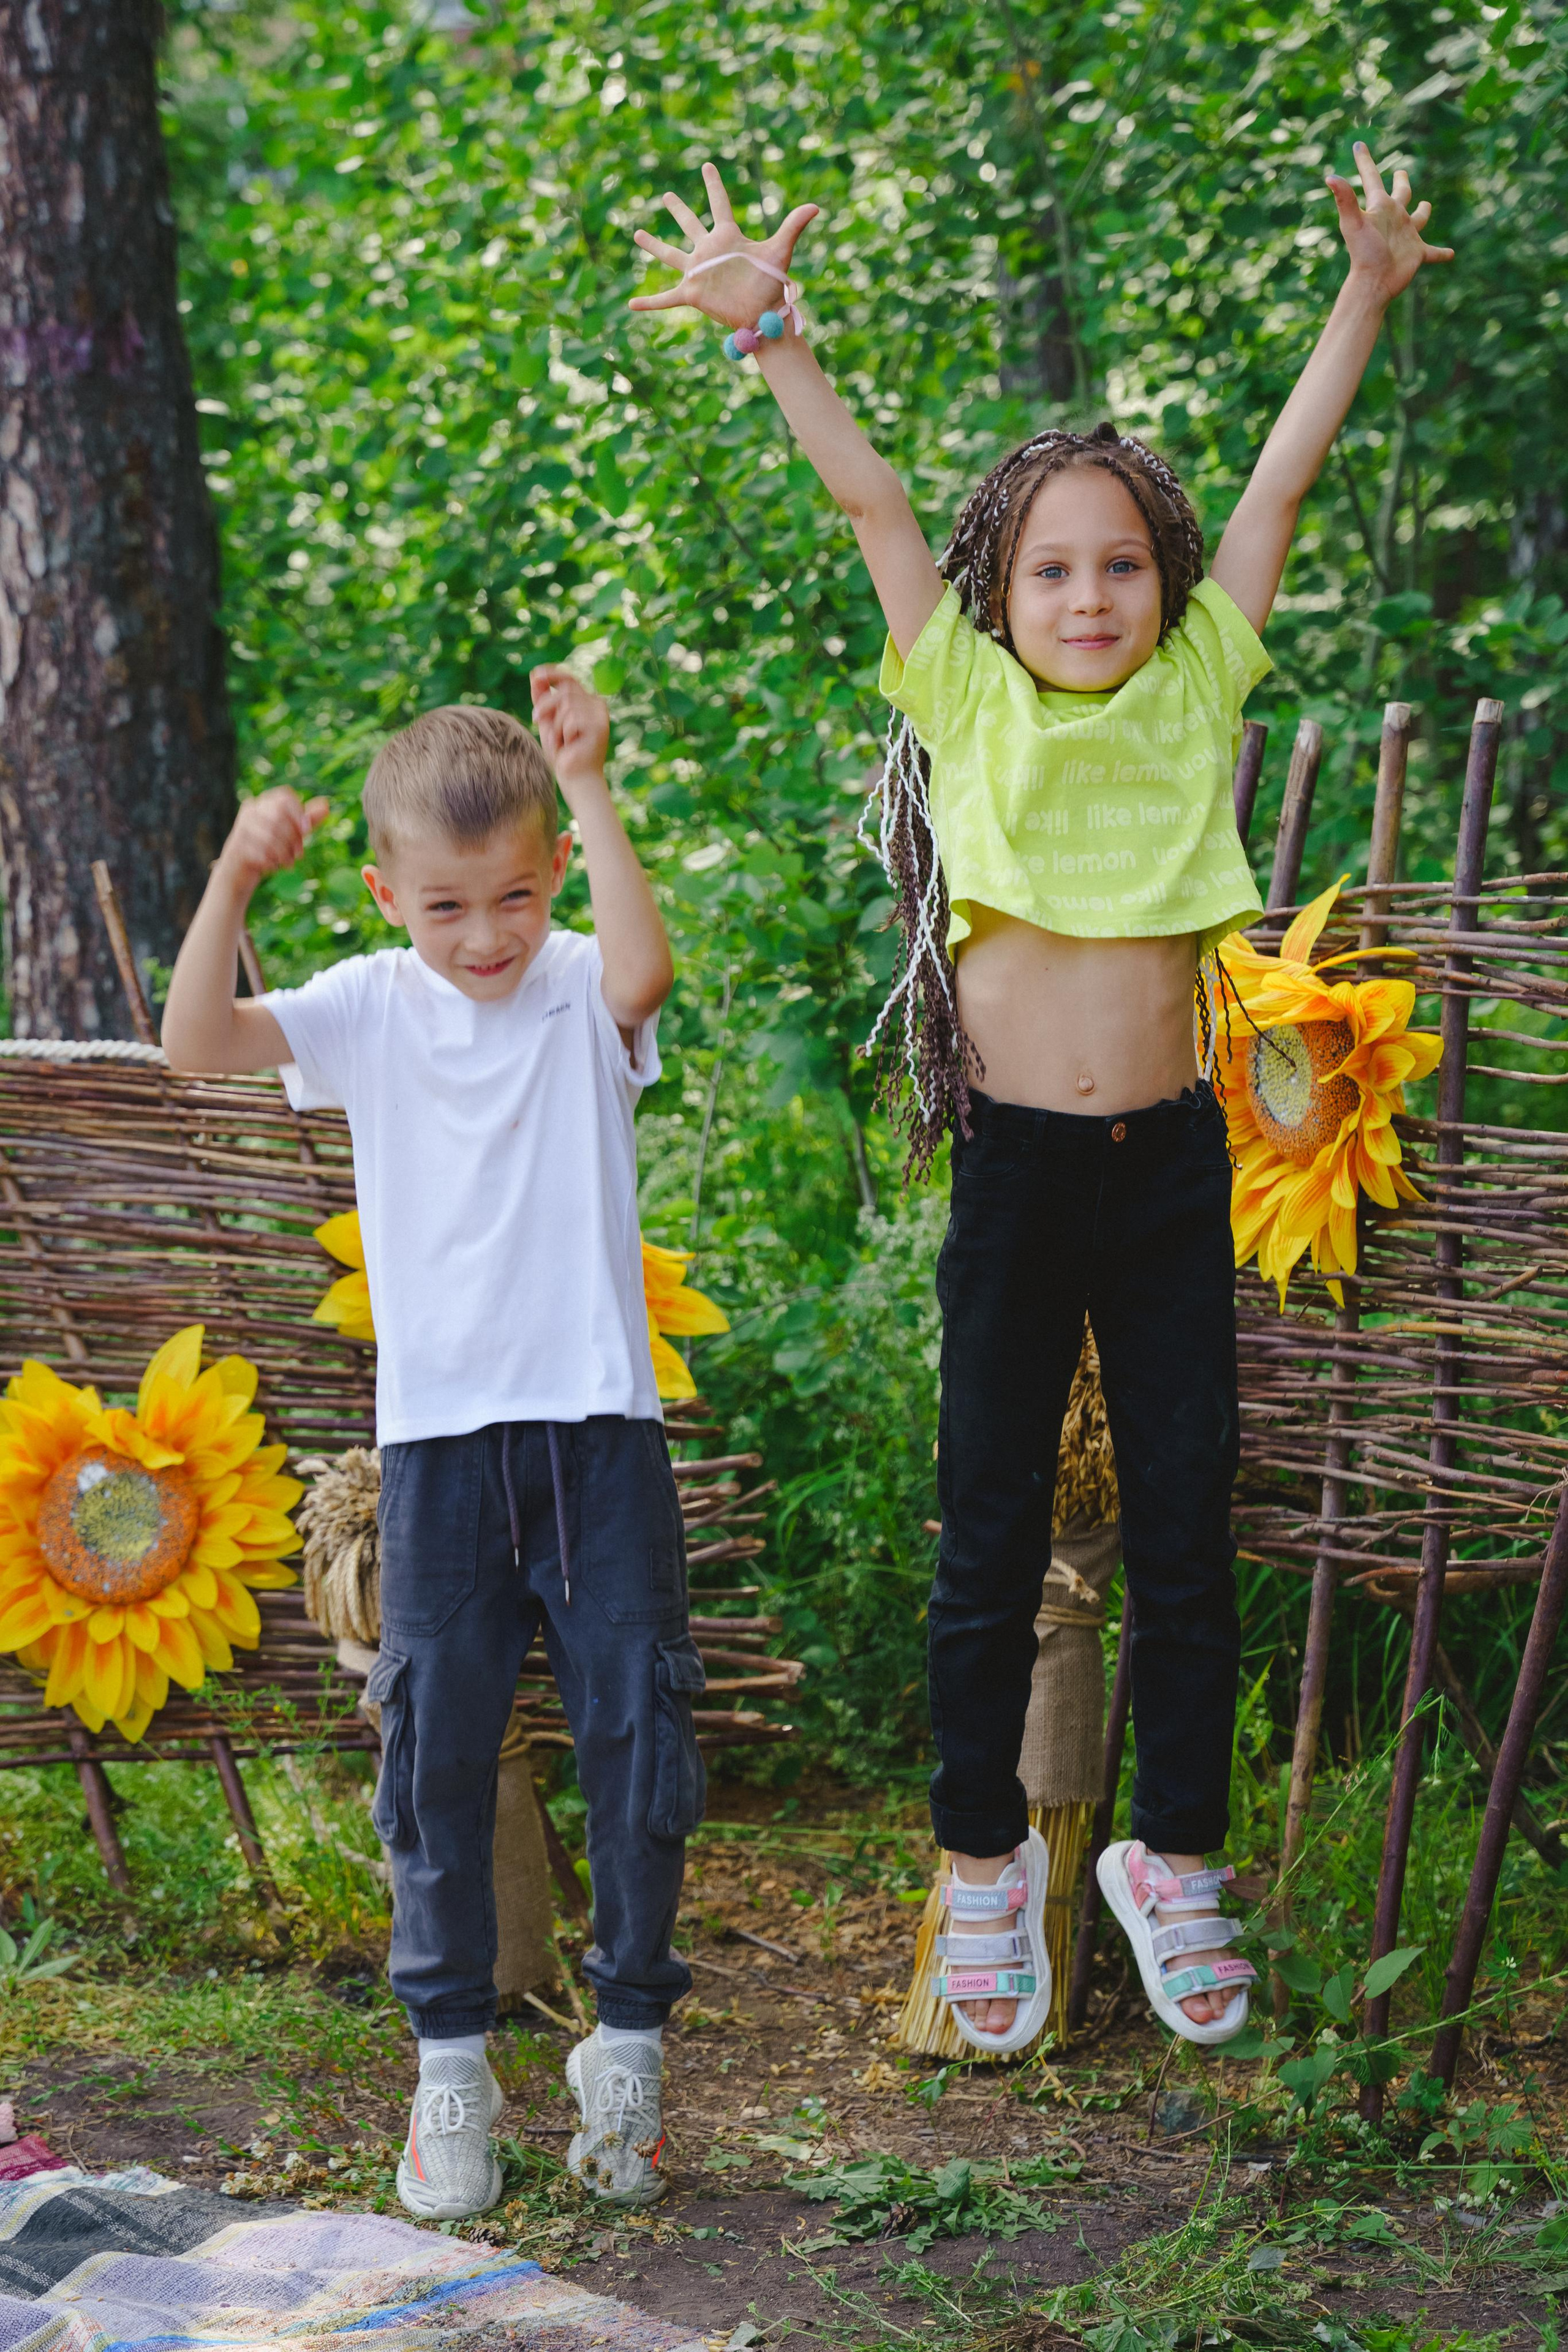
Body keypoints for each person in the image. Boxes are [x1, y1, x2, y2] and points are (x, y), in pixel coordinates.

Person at [628, 147, 1450, 2051]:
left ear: (1167, 586)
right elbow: (871, 494)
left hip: (1167, 1169)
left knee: (1184, 1511)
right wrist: (771, 333)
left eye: (1123, 564)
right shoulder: (966, 694)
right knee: (986, 1523)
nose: (1093, 592)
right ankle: (980, 1861)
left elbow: (1279, 484)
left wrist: (1363, 296)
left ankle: (1176, 1855)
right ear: (1000, 595)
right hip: (1012, 1175)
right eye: (1055, 568)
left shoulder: (1196, 689)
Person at [162, 677, 701, 2212]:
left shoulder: (579, 986)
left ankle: (629, 2050)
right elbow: (195, 1038)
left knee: (635, 1743)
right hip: (443, 1458)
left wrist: (589, 784)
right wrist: (235, 873)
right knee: (435, 1757)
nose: (486, 939)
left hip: (599, 1436)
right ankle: (448, 2073)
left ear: (550, 876)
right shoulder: (364, 1007)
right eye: (448, 907)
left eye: (516, 898)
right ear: (387, 893)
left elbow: (644, 966)